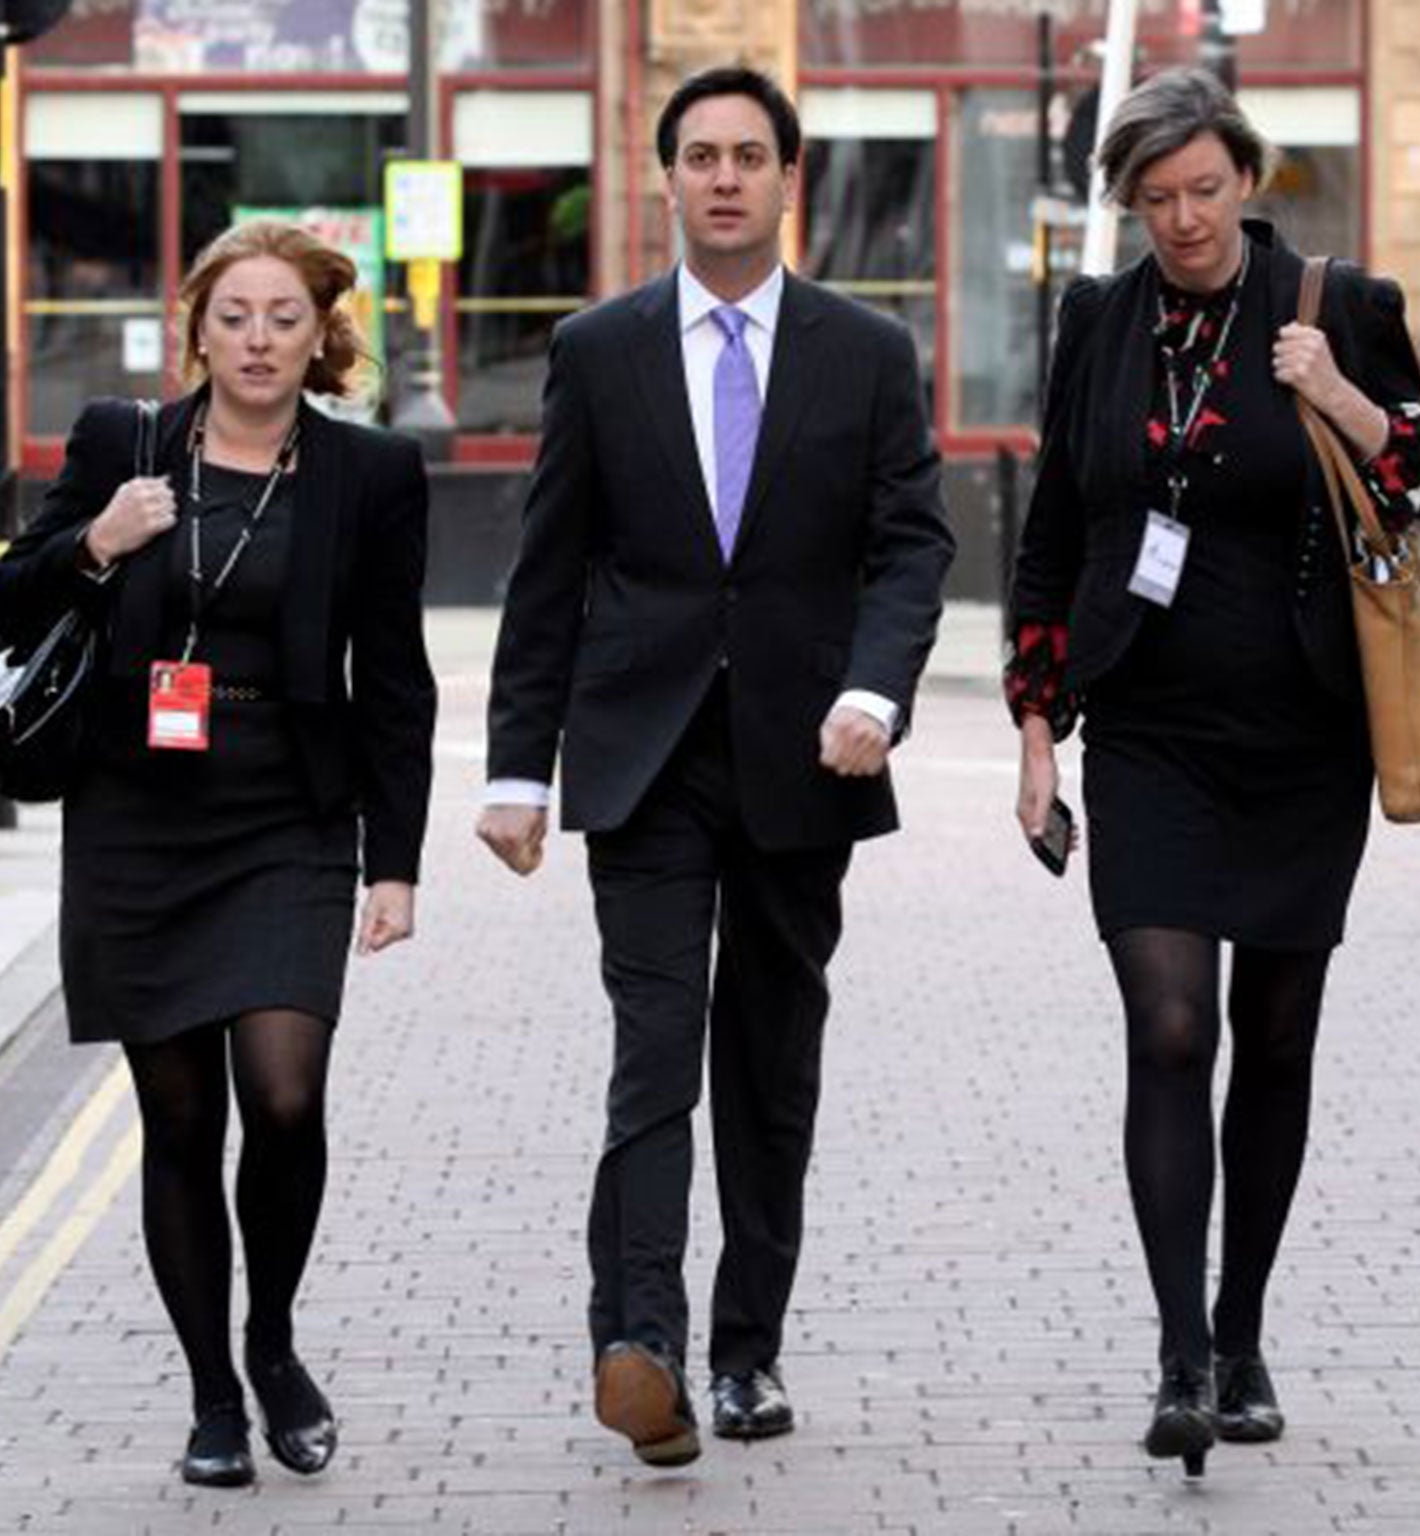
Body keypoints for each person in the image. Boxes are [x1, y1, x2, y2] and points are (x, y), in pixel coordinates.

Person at [478, 66, 954, 1468]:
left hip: (808, 755)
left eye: (750, 154)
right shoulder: (597, 348)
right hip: (643, 760)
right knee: (650, 1054)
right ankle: (639, 1346)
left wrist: (877, 687)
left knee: (767, 1067)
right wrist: (518, 768)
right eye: (701, 155)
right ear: (667, 179)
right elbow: (547, 570)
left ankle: (745, 1354)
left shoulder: (864, 352)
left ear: (786, 177)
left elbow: (910, 545)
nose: (726, 176)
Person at [1006, 69, 1420, 1477]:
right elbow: (1054, 530)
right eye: (1156, 199)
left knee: (1272, 1038)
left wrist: (1342, 400)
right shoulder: (1098, 318)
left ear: (1244, 181)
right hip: (1144, 726)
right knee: (1167, 1027)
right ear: (1127, 201)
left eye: (1204, 191)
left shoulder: (1341, 309)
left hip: (1303, 734)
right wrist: (1034, 730)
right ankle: (1179, 1357)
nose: (1185, 219)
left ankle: (1244, 1328)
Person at [0, 219, 436, 1488]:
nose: (257, 339)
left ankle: (275, 1338)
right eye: (235, 315)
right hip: (137, 817)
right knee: (179, 1119)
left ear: (320, 336)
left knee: (285, 1096)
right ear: (197, 325)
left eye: (283, 318)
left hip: (289, 817)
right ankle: (212, 1398)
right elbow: (7, 601)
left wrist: (391, 862)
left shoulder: (371, 475)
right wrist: (96, 542)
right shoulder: (116, 447)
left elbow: (395, 682)